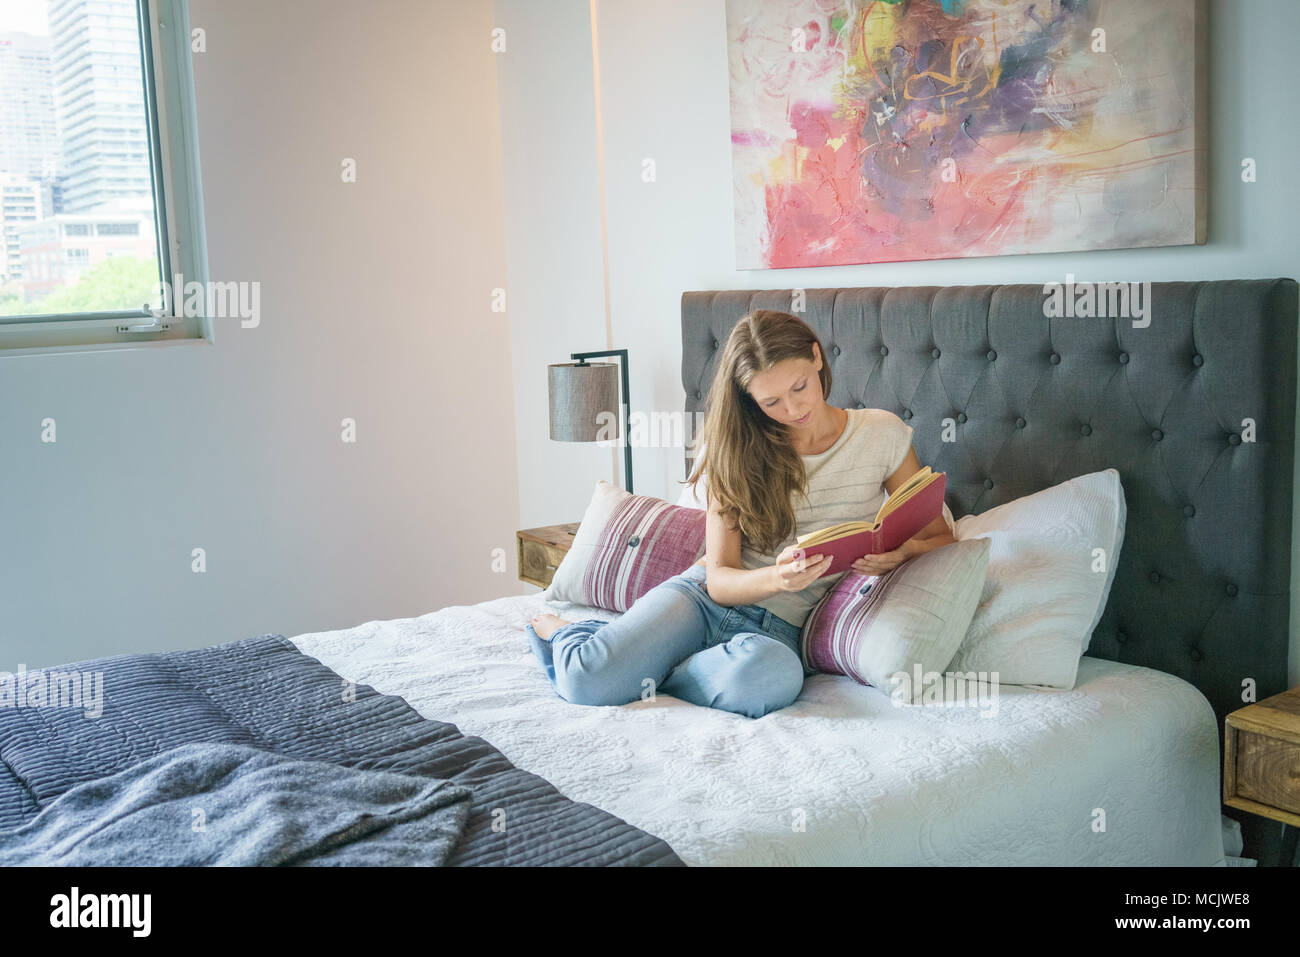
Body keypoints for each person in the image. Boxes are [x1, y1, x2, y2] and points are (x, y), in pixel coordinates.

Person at [525, 309, 957, 717]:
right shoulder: (734, 448)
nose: (793, 410)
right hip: (700, 601)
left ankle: (661, 672)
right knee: (586, 682)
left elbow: (940, 537)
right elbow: (720, 580)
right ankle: (568, 633)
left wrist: (900, 555)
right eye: (771, 401)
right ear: (749, 399)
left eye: (800, 386)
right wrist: (778, 577)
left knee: (771, 679)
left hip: (779, 632)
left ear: (815, 355)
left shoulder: (881, 434)